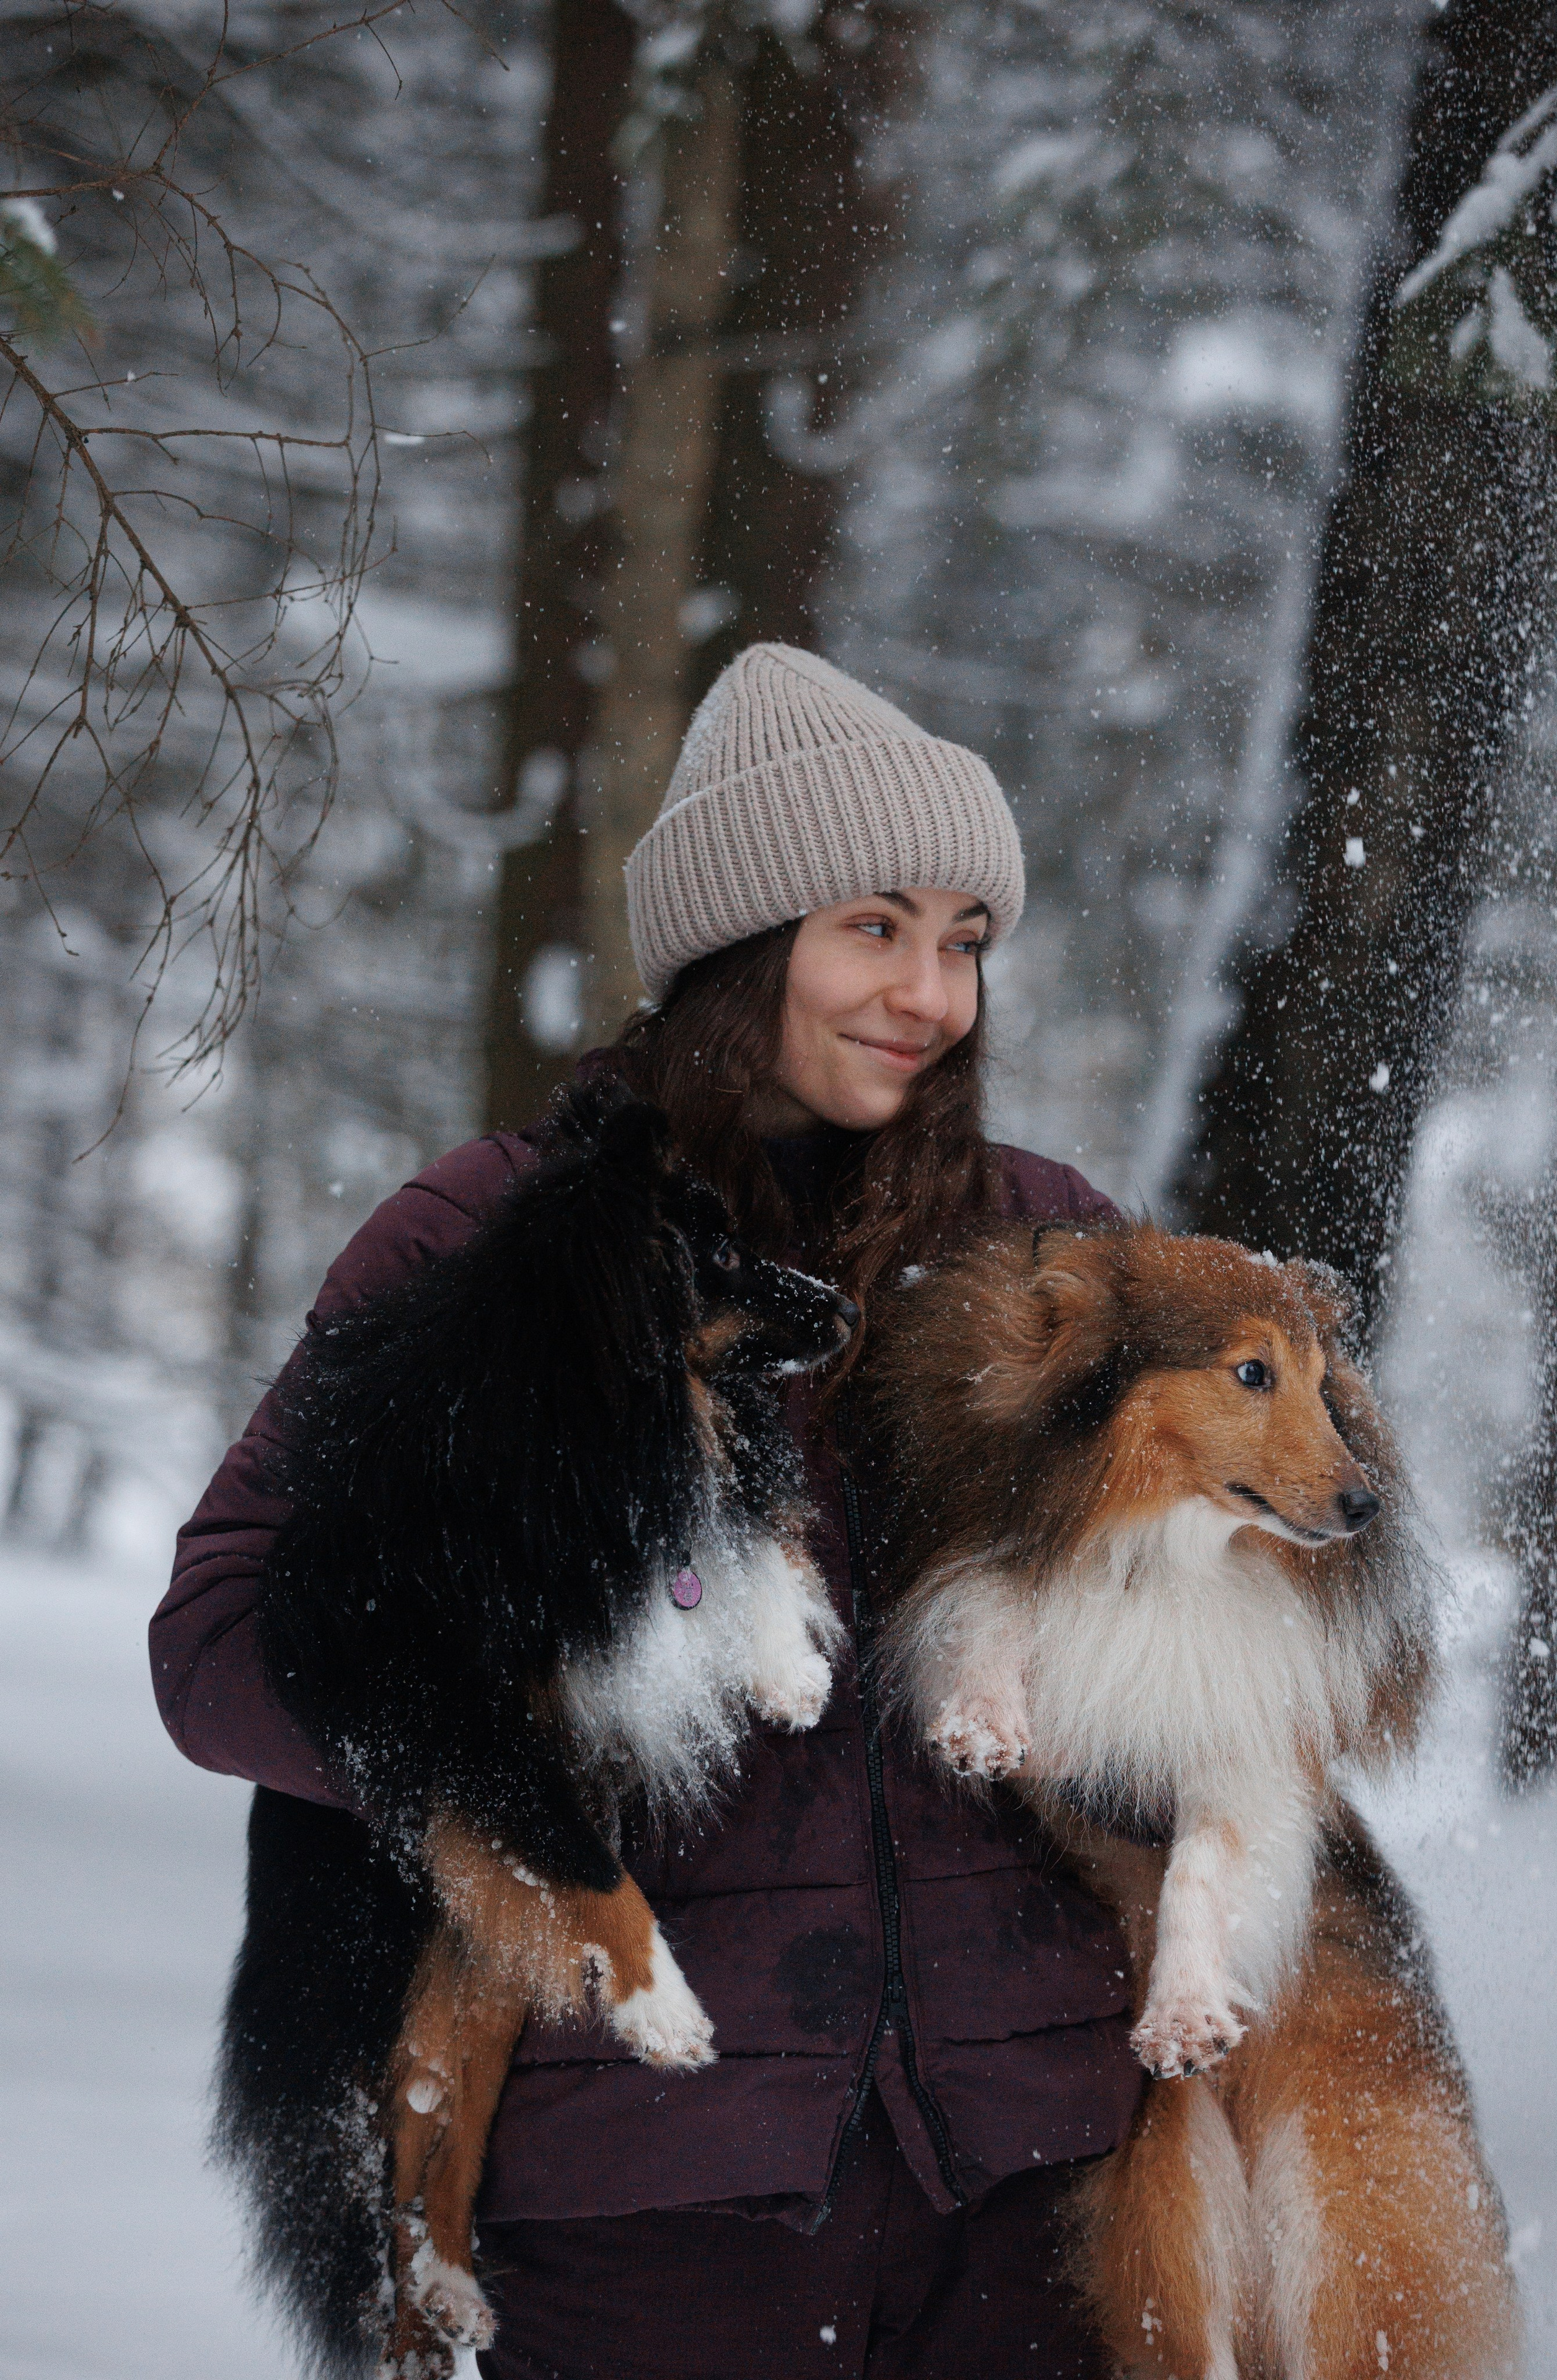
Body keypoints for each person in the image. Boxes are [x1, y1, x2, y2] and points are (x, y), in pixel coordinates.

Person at [152, 644, 1143, 2379]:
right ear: (739, 944)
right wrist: (523, 1680)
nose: (930, 990)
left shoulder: (1052, 1252)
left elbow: (1223, 1665)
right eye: (874, 927)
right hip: (647, 2191)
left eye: (965, 938)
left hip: (1038, 2181)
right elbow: (222, 1652)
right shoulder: (493, 1236)